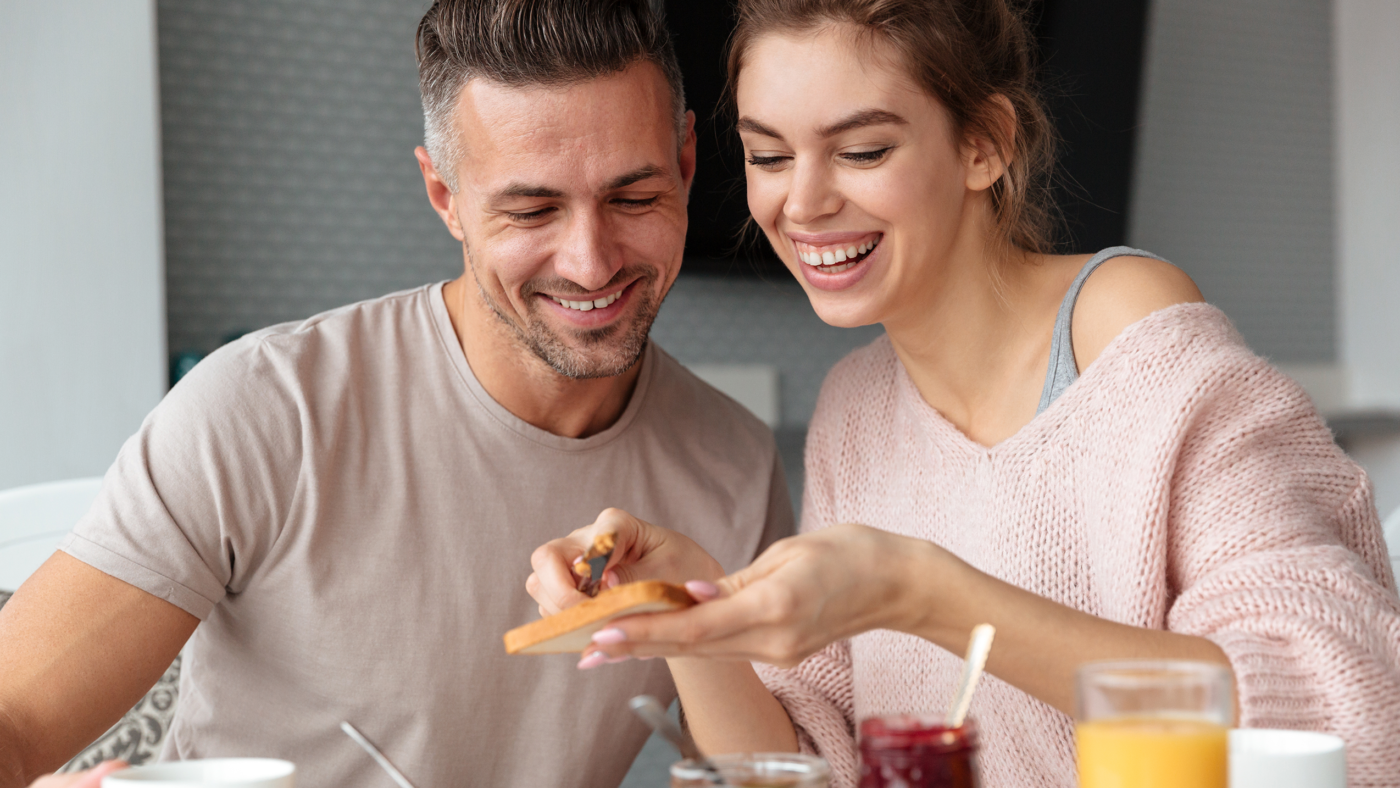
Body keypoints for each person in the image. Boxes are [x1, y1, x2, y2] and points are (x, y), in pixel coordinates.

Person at [526, 1, 1400, 786]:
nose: (804, 200)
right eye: (768, 155)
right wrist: (690, 609)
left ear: (984, 143)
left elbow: (1342, 706)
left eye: (863, 150)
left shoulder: (1125, 334)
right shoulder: (857, 415)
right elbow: (815, 769)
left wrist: (923, 594)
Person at [0, 2, 794, 787]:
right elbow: (15, 720)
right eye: (532, 209)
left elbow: (778, 777)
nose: (591, 262)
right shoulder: (263, 411)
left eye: (632, 198)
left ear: (687, 164)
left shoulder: (734, 465)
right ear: (444, 195)